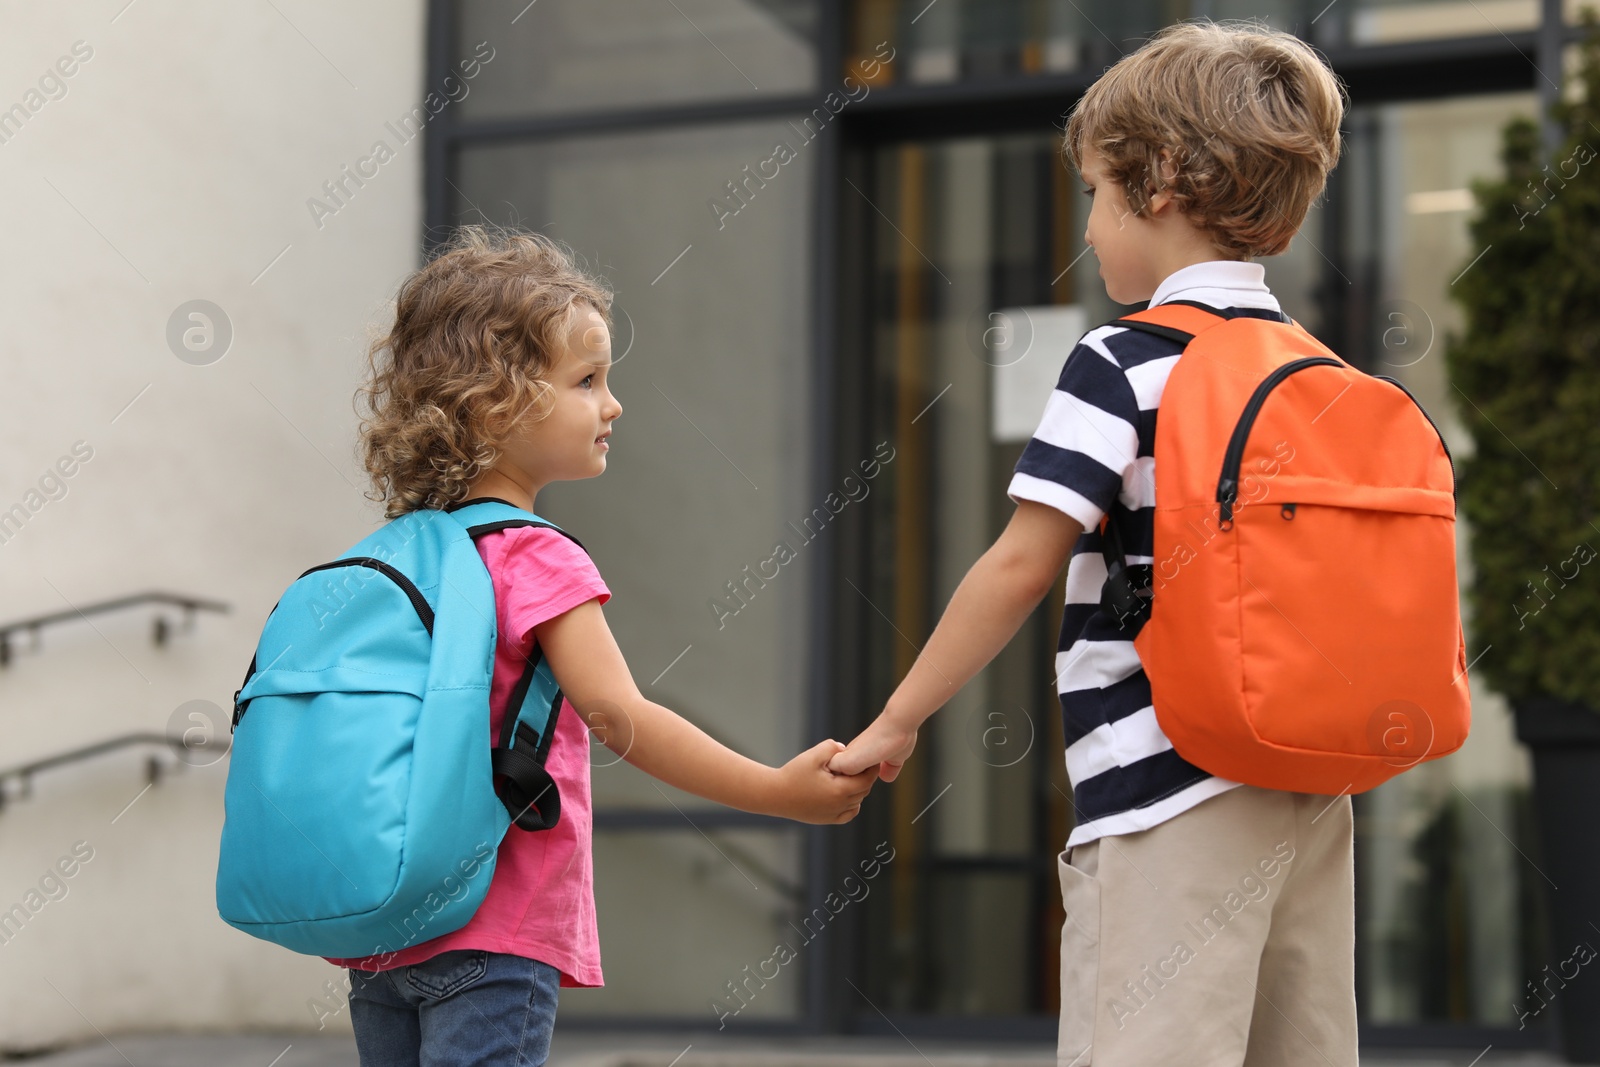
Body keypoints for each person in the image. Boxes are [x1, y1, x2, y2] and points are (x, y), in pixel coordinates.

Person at [829, 20, 1351, 1066]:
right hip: (1311, 788)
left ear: (1156, 180)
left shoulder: (1120, 361)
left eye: (1093, 194)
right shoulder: (1322, 373)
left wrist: (897, 717)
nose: (1090, 224)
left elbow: (1020, 561)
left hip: (1164, 785)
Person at [329, 226, 878, 1067]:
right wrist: (775, 792)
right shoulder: (535, 553)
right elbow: (622, 717)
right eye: (587, 380)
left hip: (386, 934)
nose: (612, 403)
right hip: (494, 931)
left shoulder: (404, 550)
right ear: (493, 403)